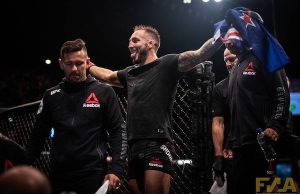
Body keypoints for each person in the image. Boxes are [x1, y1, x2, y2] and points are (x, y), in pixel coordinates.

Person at [88, 25, 221, 194]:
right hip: (133, 146)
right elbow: (107, 76)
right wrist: (88, 65)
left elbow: (200, 54)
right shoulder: (130, 73)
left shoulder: (167, 63)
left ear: (151, 43)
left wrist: (222, 34)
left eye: (135, 40)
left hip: (157, 142)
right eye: (129, 41)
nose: (130, 44)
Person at [5, 38, 127, 194]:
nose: (75, 68)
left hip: (93, 173)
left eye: (79, 63)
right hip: (59, 175)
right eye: (69, 64)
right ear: (61, 64)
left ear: (88, 62)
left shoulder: (104, 92)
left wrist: (116, 169)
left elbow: (118, 131)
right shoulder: (51, 95)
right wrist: (23, 164)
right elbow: (38, 136)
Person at [213, 8, 290, 194]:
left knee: (268, 191)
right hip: (239, 149)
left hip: (264, 146)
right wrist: (227, 148)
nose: (231, 33)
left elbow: (281, 93)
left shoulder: (264, 58)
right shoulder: (237, 65)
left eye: (236, 27)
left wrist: (275, 126)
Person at [211, 48, 237, 193]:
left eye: (232, 59)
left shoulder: (255, 83)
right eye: (225, 60)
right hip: (230, 149)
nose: (228, 63)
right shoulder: (221, 88)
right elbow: (218, 123)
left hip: (256, 146)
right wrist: (218, 155)